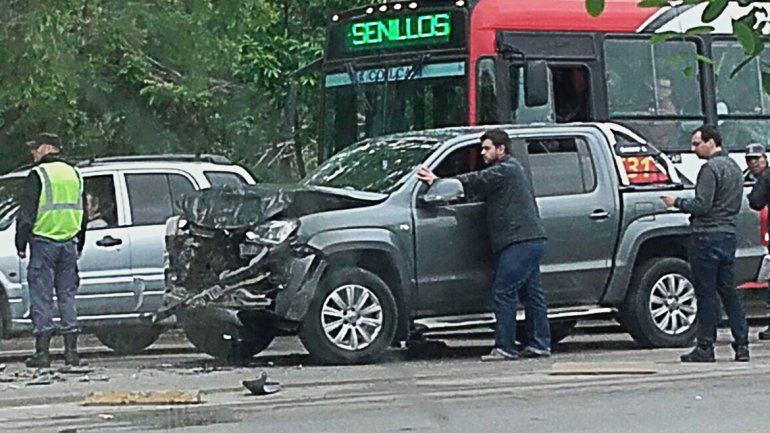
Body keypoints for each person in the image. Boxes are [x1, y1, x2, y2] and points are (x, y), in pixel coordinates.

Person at [417, 128, 550, 361]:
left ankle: (505, 347)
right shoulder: (509, 171)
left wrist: (439, 182)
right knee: (532, 295)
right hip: (527, 240)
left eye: (487, 148)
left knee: (503, 292)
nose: (482, 153)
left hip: (518, 241)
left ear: (502, 149)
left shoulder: (505, 169)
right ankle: (540, 344)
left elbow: (476, 180)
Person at [661, 125, 749, 363]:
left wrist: (676, 202)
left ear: (711, 142)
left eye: (697, 143)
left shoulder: (709, 169)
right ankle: (742, 344)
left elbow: (703, 205)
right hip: (728, 234)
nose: (693, 149)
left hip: (706, 236)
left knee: (706, 293)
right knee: (729, 292)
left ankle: (705, 346)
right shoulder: (734, 167)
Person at [16, 133, 87, 368]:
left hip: (44, 243)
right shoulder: (75, 174)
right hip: (69, 244)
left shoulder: (38, 175)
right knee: (67, 296)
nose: (32, 152)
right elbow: (83, 212)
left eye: (35, 148)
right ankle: (71, 353)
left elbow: (26, 213)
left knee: (42, 297)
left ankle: (43, 354)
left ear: (47, 148)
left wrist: (21, 244)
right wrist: (80, 242)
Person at [746, 143, 770, 340]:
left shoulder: (765, 177)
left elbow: (756, 201)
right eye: (749, 159)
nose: (753, 162)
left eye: (756, 158)